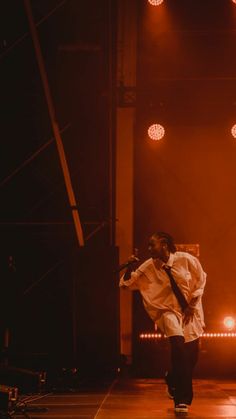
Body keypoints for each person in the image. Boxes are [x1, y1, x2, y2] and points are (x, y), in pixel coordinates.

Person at [119, 231, 206, 413]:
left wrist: (192, 304)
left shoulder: (186, 260)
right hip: (168, 312)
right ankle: (182, 399)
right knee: (178, 348)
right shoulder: (149, 266)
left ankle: (172, 378)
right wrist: (129, 267)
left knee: (191, 358)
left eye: (152, 245)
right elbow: (126, 285)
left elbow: (201, 281)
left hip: (190, 312)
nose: (149, 249)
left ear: (164, 244)